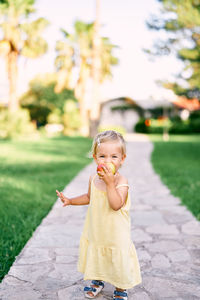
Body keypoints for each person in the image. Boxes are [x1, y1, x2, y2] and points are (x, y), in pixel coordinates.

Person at [56, 130, 142, 299]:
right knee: (96, 255)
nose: (107, 161)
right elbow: (89, 197)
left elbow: (116, 204)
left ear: (122, 159)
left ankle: (120, 287)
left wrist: (110, 184)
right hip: (97, 229)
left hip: (116, 234)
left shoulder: (121, 182)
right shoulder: (94, 179)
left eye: (114, 157)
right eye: (102, 156)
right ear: (95, 158)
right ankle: (97, 281)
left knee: (118, 260)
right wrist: (70, 200)